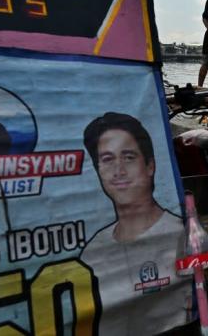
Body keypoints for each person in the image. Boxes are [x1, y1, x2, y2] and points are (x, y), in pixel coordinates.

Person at [81, 112, 193, 335]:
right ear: (98, 171)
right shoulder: (92, 252)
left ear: (150, 166)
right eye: (107, 159)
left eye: (129, 157)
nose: (119, 171)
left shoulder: (184, 236)